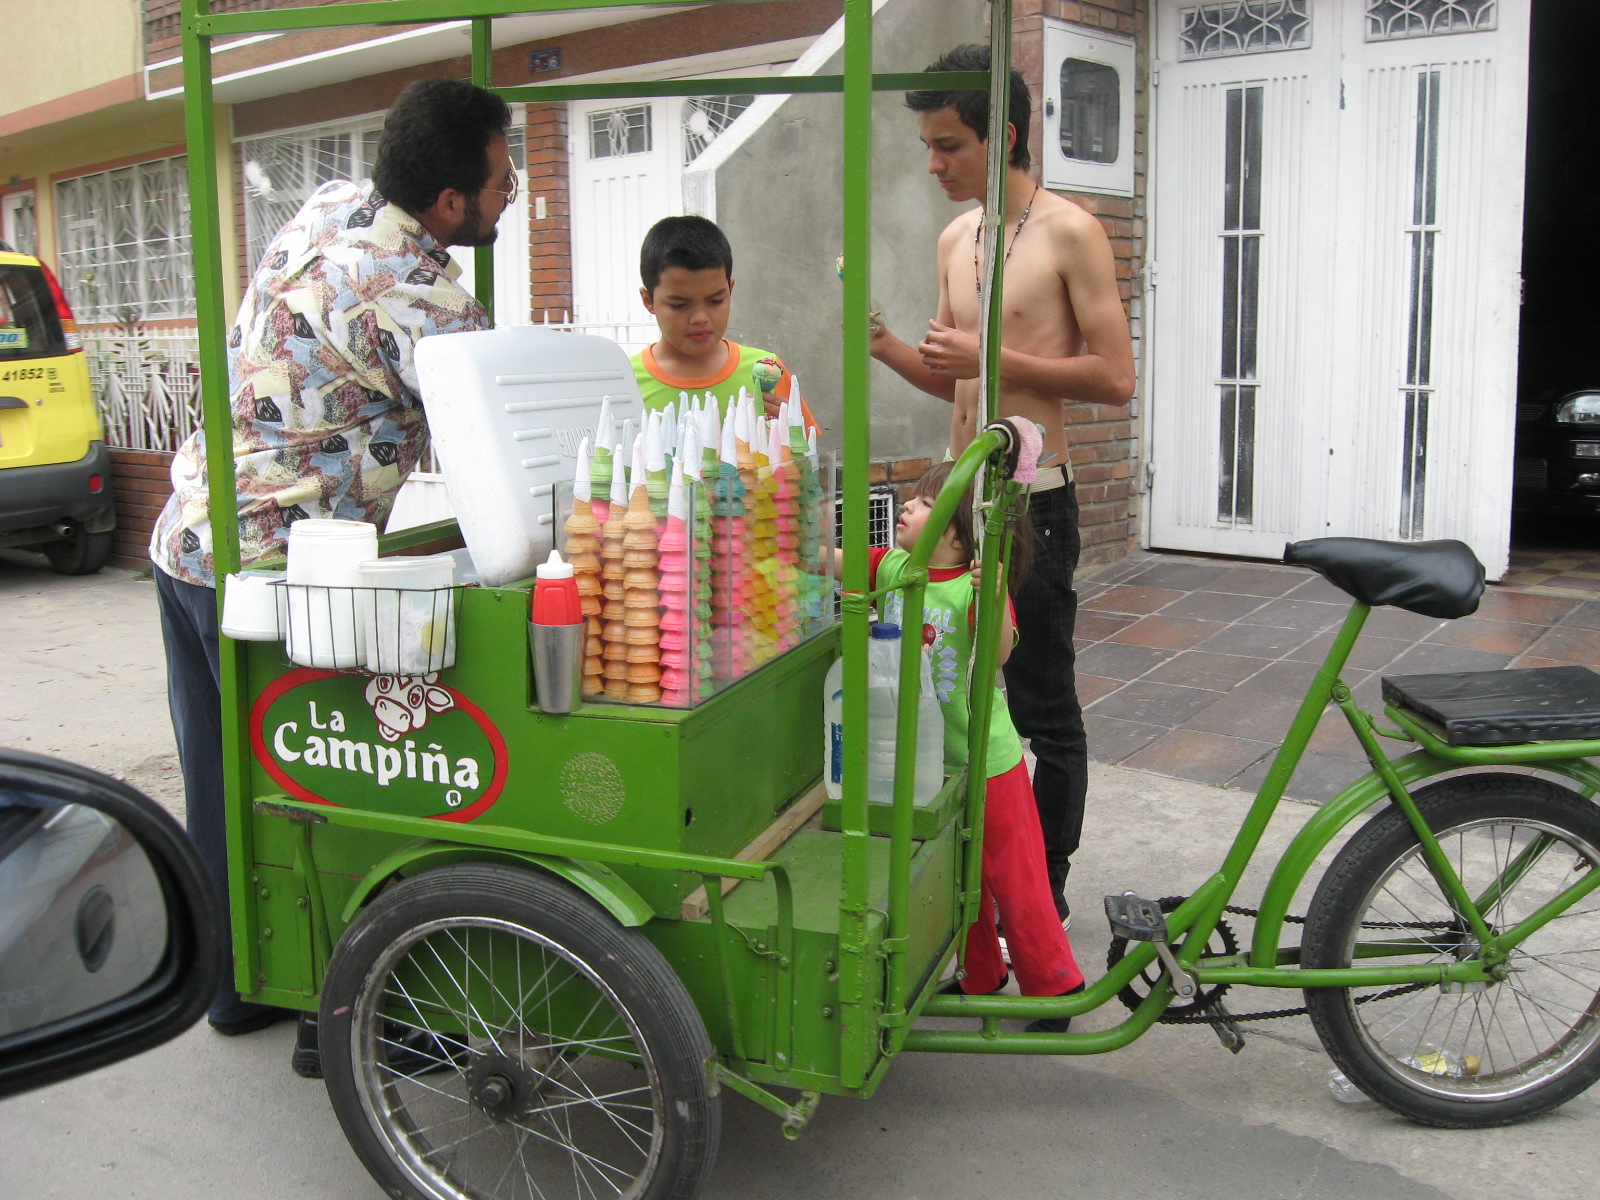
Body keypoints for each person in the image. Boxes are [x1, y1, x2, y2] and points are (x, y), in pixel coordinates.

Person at [148, 78, 515, 1057]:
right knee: (332, 782)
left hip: (190, 537)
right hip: (279, 574)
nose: (510, 193)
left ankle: (236, 989)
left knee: (224, 785)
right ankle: (343, 1020)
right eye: (501, 180)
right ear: (451, 203)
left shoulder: (332, 203)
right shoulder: (430, 305)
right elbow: (496, 465)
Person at [870, 45, 1136, 925]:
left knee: (1041, 706)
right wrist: (886, 347)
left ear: (1005, 137)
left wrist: (989, 355)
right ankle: (975, 888)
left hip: (1032, 502)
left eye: (948, 144)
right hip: (960, 505)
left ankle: (1043, 895)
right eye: (927, 145)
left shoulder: (1070, 232)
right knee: (955, 697)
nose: (933, 164)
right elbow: (959, 382)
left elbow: (1115, 377)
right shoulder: (957, 238)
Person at [859, 462, 1084, 1026]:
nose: (906, 507)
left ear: (960, 537)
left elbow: (1001, 652)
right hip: (929, 758)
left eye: (923, 504)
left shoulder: (972, 589)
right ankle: (981, 973)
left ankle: (1056, 986)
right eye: (911, 500)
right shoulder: (893, 567)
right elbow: (826, 558)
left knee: (1015, 878)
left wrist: (996, 595)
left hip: (986, 761)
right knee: (960, 872)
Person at [634, 214, 819, 433]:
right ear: (649, 301)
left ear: (730, 290)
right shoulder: (627, 382)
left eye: (715, 301)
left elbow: (807, 451)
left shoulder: (767, 370)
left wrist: (793, 434)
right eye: (680, 305)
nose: (700, 318)